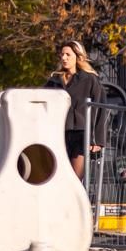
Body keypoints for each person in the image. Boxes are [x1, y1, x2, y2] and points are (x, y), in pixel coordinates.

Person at [49, 42, 105, 181]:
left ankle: (75, 202)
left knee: (74, 179)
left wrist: (98, 140)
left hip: (82, 135)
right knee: (57, 178)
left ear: (78, 57)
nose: (64, 58)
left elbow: (100, 109)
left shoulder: (90, 79)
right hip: (58, 135)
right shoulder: (53, 81)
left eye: (68, 54)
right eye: (62, 54)